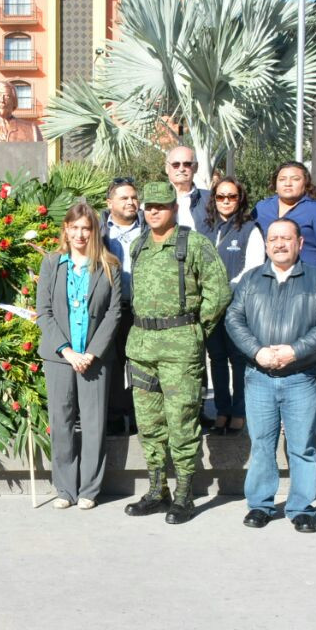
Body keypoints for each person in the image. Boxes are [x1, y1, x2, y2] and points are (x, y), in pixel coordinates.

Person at [122, 181, 230, 525]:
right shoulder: (138, 246)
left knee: (182, 422)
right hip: (141, 346)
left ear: (174, 208)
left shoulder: (193, 244)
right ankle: (157, 490)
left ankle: (184, 493)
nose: (153, 211)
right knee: (149, 423)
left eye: (161, 206)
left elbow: (219, 291)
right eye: (148, 206)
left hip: (180, 349)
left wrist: (198, 330)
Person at [226, 218, 316, 534]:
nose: (279, 243)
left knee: (302, 445)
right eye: (274, 238)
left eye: (286, 238)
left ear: (299, 243)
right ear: (266, 245)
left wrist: (294, 350)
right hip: (259, 375)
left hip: (301, 375)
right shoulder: (250, 280)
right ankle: (261, 505)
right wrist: (257, 351)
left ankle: (301, 508)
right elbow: (234, 319)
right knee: (262, 443)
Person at [37, 203, 122, 509]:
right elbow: (43, 313)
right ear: (66, 230)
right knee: (61, 421)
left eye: (86, 227)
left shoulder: (109, 266)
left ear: (94, 230)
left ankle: (88, 489)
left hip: (94, 358)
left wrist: (91, 352)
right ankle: (64, 489)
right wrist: (68, 351)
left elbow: (114, 313)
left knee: (94, 422)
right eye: (74, 227)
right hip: (61, 357)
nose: (80, 234)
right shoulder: (51, 263)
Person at [198, 176, 265, 436]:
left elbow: (254, 268)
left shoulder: (250, 228)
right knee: (216, 359)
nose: (226, 201)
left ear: (240, 199)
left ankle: (239, 412)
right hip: (210, 307)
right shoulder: (205, 228)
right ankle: (222, 411)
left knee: (238, 360)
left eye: (232, 196)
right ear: (214, 199)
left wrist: (225, 289)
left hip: (237, 306)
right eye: (220, 196)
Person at [101, 178, 144, 433]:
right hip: (111, 307)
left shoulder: (149, 228)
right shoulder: (99, 230)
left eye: (133, 197)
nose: (131, 202)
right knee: (113, 363)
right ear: (110, 203)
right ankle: (116, 416)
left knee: (141, 363)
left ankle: (141, 415)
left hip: (142, 310)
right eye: (124, 198)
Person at [252, 161, 316, 268]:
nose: (288, 183)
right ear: (275, 185)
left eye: (295, 179)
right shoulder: (262, 208)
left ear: (306, 184)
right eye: (282, 179)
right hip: (268, 279)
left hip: (308, 279)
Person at [164, 145, 207, 231]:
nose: (181, 169)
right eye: (175, 164)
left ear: (195, 167)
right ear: (167, 168)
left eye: (187, 164)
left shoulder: (211, 200)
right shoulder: (153, 201)